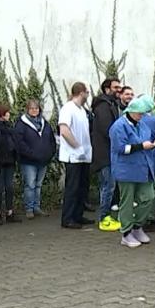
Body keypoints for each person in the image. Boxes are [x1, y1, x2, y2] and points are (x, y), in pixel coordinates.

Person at [110, 96, 155, 248]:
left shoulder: (141, 124)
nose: (142, 116)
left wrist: (153, 144)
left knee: (148, 197)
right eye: (140, 113)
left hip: (143, 167)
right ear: (131, 111)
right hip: (126, 169)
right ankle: (126, 233)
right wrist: (141, 146)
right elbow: (120, 148)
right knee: (127, 202)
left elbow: (146, 140)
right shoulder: (118, 126)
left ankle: (137, 226)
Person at [13, 99, 56, 219]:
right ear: (27, 109)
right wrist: (31, 154)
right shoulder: (21, 124)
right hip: (28, 161)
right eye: (32, 108)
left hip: (43, 160)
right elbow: (19, 143)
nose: (34, 110)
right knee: (30, 185)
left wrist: (50, 153)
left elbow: (51, 139)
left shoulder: (44, 123)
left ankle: (36, 207)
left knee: (38, 185)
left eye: (36, 108)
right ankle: (29, 209)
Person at [59, 82, 94, 229]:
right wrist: (77, 146)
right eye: (87, 92)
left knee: (82, 187)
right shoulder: (68, 108)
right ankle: (67, 218)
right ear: (81, 93)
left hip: (84, 156)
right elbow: (64, 130)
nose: (88, 95)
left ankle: (78, 215)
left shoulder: (82, 110)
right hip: (73, 156)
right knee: (72, 188)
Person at [91, 77, 123, 232]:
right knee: (108, 186)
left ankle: (106, 216)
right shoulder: (103, 107)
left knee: (108, 186)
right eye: (116, 87)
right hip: (105, 153)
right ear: (107, 89)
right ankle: (104, 218)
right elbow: (108, 129)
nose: (119, 90)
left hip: (108, 152)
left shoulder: (110, 104)